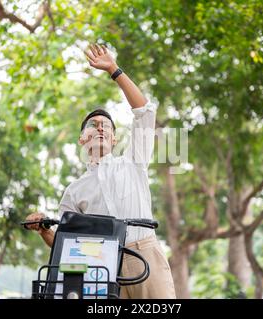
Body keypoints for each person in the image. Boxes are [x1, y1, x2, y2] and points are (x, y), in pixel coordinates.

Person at [25, 43, 176, 299]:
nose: (101, 128)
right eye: (93, 125)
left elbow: (144, 112)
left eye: (107, 126)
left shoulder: (133, 162)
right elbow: (66, 244)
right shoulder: (75, 191)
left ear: (115, 140)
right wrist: (44, 230)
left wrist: (114, 70)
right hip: (102, 269)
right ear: (82, 138)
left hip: (145, 254)